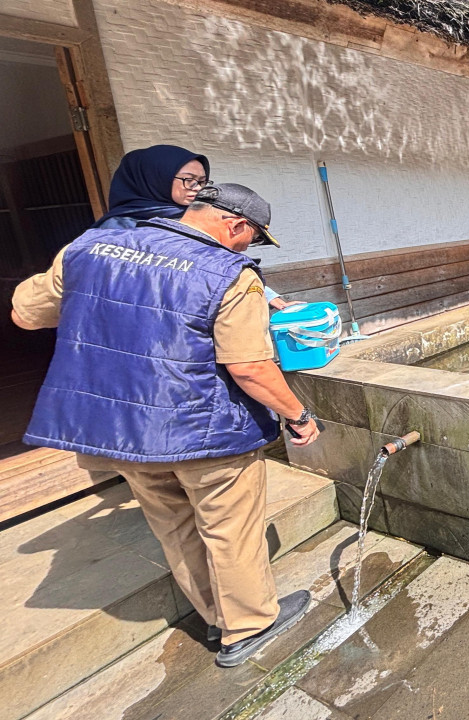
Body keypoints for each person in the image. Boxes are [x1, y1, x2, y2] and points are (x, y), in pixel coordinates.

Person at [11, 183, 321, 668]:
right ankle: (250, 626)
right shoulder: (230, 274)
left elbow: (25, 314)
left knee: (175, 527)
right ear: (236, 225)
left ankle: (216, 616)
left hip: (125, 431)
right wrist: (298, 415)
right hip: (208, 432)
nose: (248, 248)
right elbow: (250, 367)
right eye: (254, 238)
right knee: (229, 530)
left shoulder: (86, 250)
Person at [94, 145, 295, 310]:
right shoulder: (116, 230)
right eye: (189, 181)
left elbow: (215, 262)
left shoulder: (196, 218)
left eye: (202, 181)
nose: (198, 189)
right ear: (154, 177)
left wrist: (265, 294)